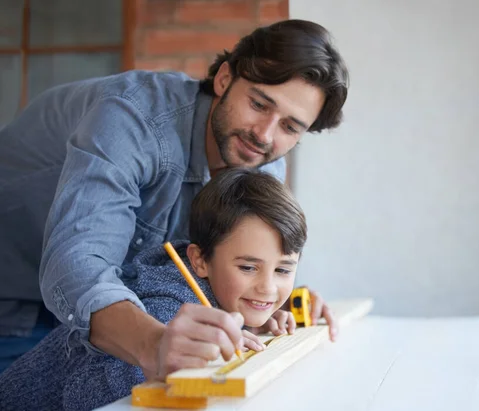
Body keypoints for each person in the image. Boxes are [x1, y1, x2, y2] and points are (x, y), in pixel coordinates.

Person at [0, 18, 349, 376]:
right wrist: (153, 343)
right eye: (259, 104)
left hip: (113, 312)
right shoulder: (132, 118)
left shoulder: (262, 162)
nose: (264, 134)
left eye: (290, 127)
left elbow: (219, 263)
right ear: (225, 78)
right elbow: (77, 262)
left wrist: (270, 298)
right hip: (16, 300)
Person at [0, 168, 310, 410]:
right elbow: (82, 396)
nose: (268, 288)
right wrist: (163, 365)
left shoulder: (227, 293)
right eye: (248, 267)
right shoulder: (165, 308)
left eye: (283, 269)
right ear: (199, 261)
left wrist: (259, 321)